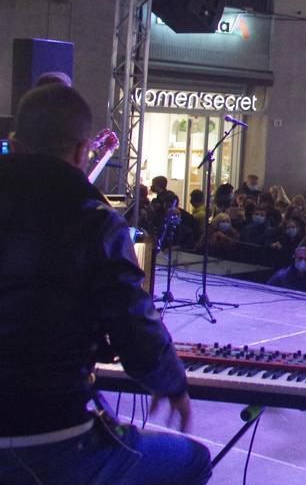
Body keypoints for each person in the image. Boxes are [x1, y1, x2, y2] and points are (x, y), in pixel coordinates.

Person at [0, 84, 210, 484]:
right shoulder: (95, 223)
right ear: (83, 151)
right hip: (52, 439)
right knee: (192, 459)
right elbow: (137, 333)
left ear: (13, 143)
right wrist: (171, 383)